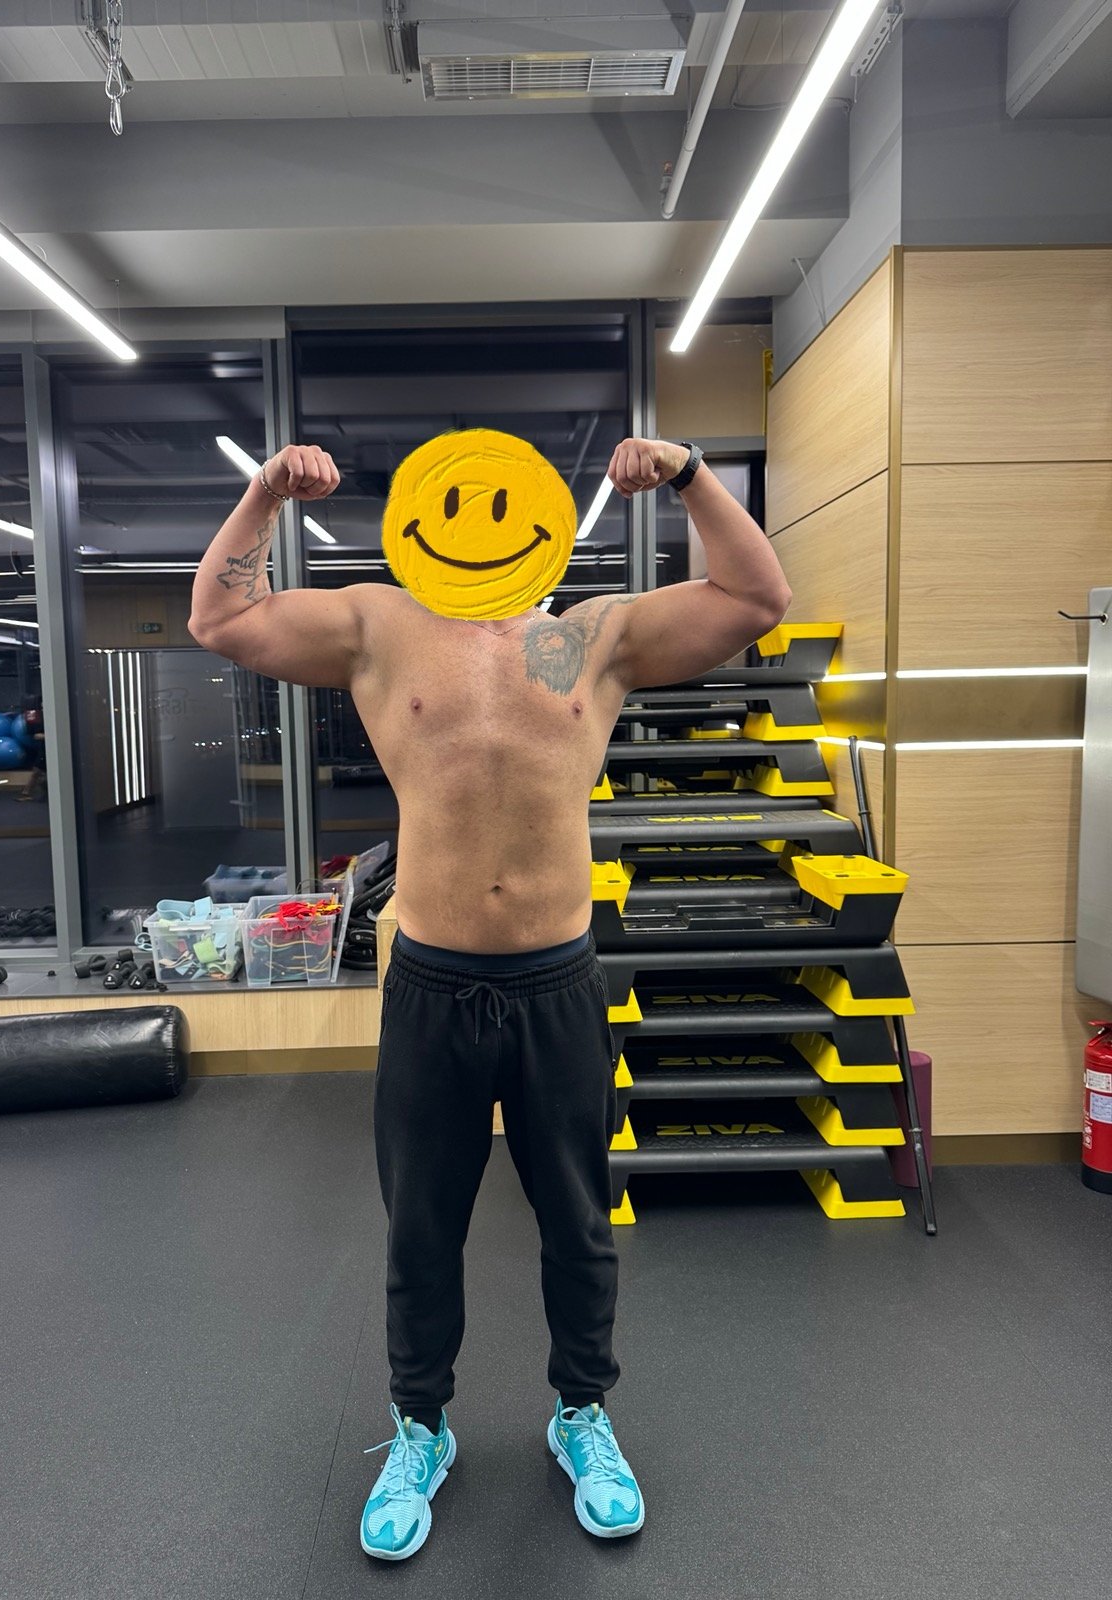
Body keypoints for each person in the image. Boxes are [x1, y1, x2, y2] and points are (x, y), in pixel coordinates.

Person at [189, 437, 791, 1560]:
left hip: (556, 983)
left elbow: (758, 597)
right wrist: (263, 493)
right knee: (422, 1228)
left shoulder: (589, 638)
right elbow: (221, 619)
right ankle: (420, 1427)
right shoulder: (379, 626)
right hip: (434, 985)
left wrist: (692, 475)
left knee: (578, 1222)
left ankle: (581, 1415)